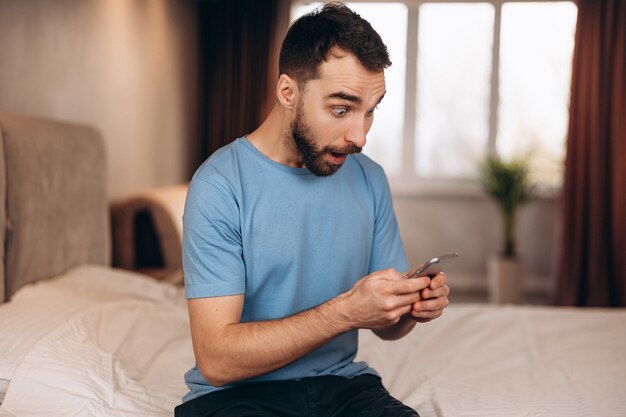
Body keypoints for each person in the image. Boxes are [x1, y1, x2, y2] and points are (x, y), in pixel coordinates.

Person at [176, 3, 450, 416]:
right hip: (236, 397)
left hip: (344, 388)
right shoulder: (220, 185)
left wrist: (411, 308)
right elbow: (217, 361)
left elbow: (387, 326)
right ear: (288, 92)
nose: (359, 136)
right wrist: (345, 312)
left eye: (370, 110)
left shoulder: (368, 179)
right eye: (341, 109)